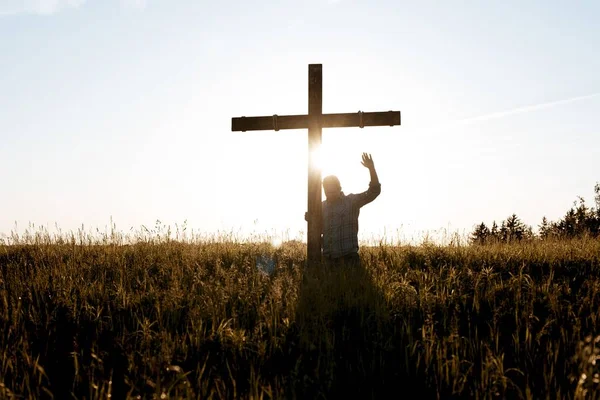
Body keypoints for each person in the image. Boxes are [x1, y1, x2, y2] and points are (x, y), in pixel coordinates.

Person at [306, 153, 381, 268]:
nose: (330, 194)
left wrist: (371, 169)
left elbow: (374, 191)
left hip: (349, 260)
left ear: (339, 188)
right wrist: (311, 220)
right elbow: (320, 231)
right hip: (328, 261)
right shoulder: (321, 207)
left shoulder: (351, 201)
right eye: (327, 191)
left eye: (332, 191)